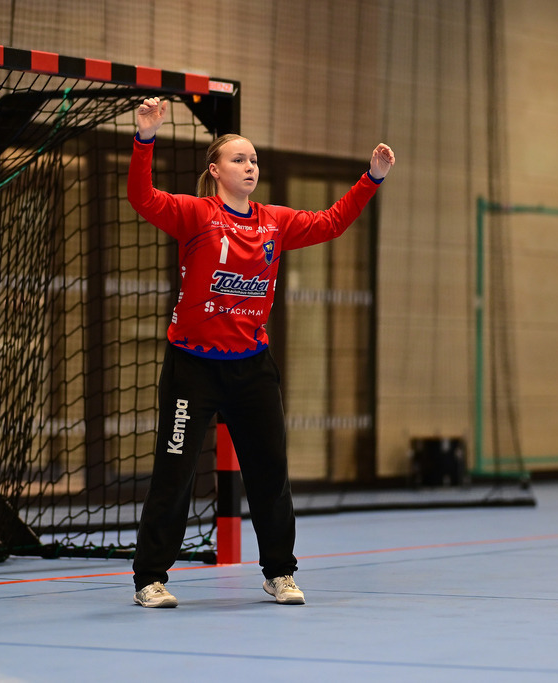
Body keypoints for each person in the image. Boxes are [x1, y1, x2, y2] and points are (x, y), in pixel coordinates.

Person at [128, 96, 394, 608]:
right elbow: (143, 198)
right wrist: (145, 139)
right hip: (193, 367)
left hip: (252, 368)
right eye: (238, 159)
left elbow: (331, 222)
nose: (249, 166)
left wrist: (372, 177)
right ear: (216, 170)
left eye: (253, 160)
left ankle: (280, 573)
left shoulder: (275, 221)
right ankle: (150, 579)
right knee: (175, 472)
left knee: (270, 473)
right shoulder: (195, 213)